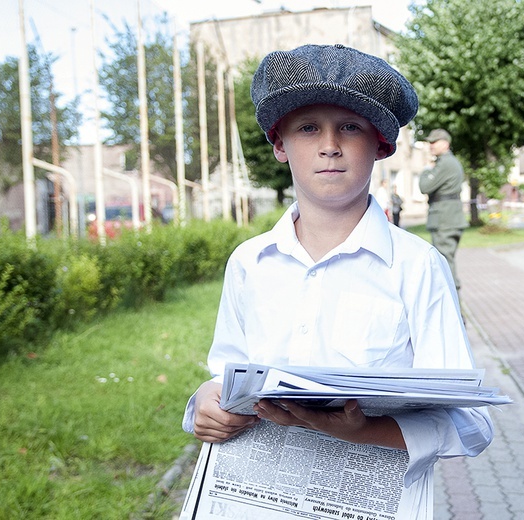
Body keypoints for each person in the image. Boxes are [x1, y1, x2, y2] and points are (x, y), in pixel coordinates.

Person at [182, 44, 493, 516]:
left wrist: (364, 431)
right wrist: (207, 400)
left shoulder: (418, 266)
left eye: (350, 127)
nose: (330, 144)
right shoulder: (249, 263)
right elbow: (226, 374)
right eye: (309, 128)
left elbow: (470, 420)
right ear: (280, 145)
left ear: (382, 145)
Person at [419, 128, 466, 291]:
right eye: (430, 142)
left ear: (445, 144)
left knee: (445, 265)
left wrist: (426, 169)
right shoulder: (447, 162)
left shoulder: (445, 163)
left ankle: (456, 313)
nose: (430, 145)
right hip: (448, 218)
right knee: (446, 262)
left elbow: (424, 186)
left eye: (434, 142)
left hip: (445, 220)